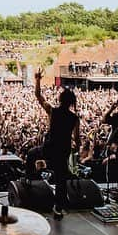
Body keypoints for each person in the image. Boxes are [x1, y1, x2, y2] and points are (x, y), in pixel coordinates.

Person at [34, 68, 80, 220]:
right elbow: (77, 140)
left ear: (60, 99)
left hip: (49, 147)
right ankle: (58, 207)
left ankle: (29, 186)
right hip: (64, 149)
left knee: (30, 155)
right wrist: (76, 149)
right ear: (71, 102)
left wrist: (38, 80)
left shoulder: (53, 111)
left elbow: (38, 96)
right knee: (61, 179)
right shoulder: (75, 118)